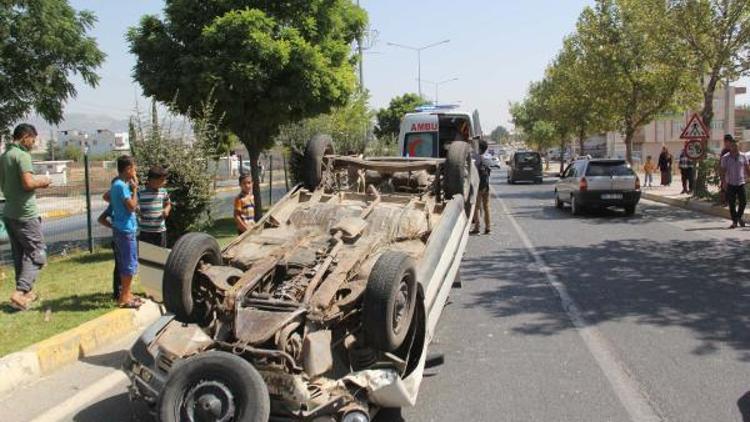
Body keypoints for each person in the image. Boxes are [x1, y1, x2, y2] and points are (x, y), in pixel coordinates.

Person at [0, 124, 51, 311]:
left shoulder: (5, 156)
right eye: (33, 139)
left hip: (10, 212)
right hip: (25, 213)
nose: (34, 143)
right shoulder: (22, 156)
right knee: (38, 253)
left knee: (20, 254)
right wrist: (44, 181)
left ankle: (25, 294)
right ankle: (20, 292)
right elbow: (28, 183)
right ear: (25, 137)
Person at [110, 155, 141, 308]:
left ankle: (127, 293)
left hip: (122, 228)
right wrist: (135, 190)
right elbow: (132, 206)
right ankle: (124, 297)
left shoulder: (117, 184)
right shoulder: (121, 186)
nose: (135, 171)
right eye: (134, 168)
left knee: (126, 263)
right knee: (128, 264)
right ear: (128, 169)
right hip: (125, 230)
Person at [138, 166, 171, 247]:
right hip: (145, 231)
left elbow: (168, 204)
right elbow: (134, 205)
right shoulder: (140, 192)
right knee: (146, 256)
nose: (164, 182)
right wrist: (137, 210)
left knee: (160, 256)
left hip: (160, 230)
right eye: (162, 180)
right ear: (152, 180)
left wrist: (166, 210)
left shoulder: (163, 191)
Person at [719, 139, 750, 229]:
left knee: (743, 202)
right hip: (730, 183)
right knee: (732, 204)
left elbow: (747, 168)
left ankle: (738, 217)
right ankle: (735, 222)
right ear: (730, 147)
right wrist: (723, 182)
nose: (735, 148)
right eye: (733, 146)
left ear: (739, 146)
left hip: (741, 183)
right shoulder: (725, 157)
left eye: (736, 146)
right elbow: (722, 171)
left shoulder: (743, 156)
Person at [97, 204, 121, 300]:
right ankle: (118, 292)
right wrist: (113, 227)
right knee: (120, 266)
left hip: (130, 237)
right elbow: (101, 219)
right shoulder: (115, 205)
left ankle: (123, 291)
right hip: (119, 239)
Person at [470, 139, 492, 235]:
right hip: (486, 185)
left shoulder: (476, 157)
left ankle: (477, 228)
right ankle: (488, 228)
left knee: (476, 207)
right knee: (486, 207)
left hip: (478, 185)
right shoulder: (488, 157)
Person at [719, 134, 735, 206]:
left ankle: (728, 201)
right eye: (725, 142)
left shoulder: (734, 150)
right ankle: (724, 202)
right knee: (723, 187)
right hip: (725, 172)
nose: (725, 143)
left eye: (726, 142)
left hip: (733, 172)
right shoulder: (724, 151)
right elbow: (721, 162)